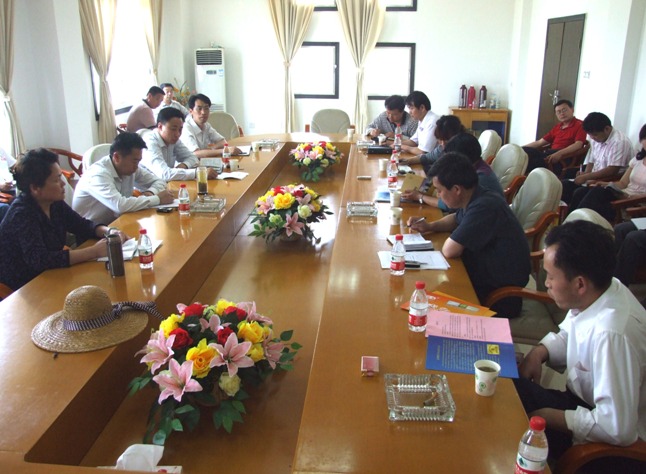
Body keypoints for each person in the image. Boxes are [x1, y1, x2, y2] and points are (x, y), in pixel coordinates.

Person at [514, 220, 646, 462]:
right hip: (584, 406)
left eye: (551, 276)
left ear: (580, 284)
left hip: (609, 447)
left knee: (511, 415)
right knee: (507, 384)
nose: (546, 283)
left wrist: (550, 416)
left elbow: (617, 429)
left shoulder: (612, 334)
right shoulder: (602, 290)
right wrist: (539, 352)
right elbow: (571, 333)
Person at [407, 153, 530, 317]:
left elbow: (450, 250)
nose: (438, 195)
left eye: (440, 190)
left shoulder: (485, 206)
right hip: (480, 276)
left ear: (456, 189)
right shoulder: (476, 195)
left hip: (499, 296)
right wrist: (430, 226)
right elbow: (455, 219)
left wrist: (447, 236)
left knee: (421, 305)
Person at [0, 149, 127, 291]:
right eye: (56, 180)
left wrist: (110, 231)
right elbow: (40, 260)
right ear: (35, 188)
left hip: (51, 274)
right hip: (24, 287)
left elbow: (82, 225)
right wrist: (94, 252)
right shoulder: (22, 214)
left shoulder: (54, 203)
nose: (63, 184)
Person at [72, 132, 174, 223]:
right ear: (117, 157)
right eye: (134, 161)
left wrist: (151, 192)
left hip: (119, 223)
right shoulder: (98, 174)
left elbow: (159, 181)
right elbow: (120, 206)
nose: (137, 166)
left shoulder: (129, 168)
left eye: (138, 161)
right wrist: (157, 199)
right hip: (92, 231)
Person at [403, 132, 503, 210]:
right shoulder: (474, 166)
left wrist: (420, 197)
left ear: (461, 159)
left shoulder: (480, 178)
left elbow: (450, 205)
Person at [568, 123, 646, 222]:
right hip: (623, 194)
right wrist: (606, 184)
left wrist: (628, 197)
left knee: (596, 198)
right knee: (581, 192)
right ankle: (569, 223)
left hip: (635, 203)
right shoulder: (638, 159)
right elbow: (622, 183)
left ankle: (574, 225)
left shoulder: (619, 141)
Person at [561, 112, 633, 203]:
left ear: (607, 129)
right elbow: (591, 160)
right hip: (595, 175)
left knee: (578, 192)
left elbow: (612, 170)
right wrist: (585, 173)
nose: (592, 138)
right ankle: (561, 210)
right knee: (563, 184)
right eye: (590, 135)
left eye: (595, 135)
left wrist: (586, 177)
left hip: (609, 178)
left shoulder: (619, 142)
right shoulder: (596, 137)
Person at [140, 107, 218, 181]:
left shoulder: (173, 139)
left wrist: (184, 165)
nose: (177, 134)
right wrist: (199, 173)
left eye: (180, 129)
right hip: (150, 188)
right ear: (160, 126)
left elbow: (193, 158)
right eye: (173, 129)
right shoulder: (150, 143)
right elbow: (164, 174)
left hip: (167, 183)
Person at [523, 100, 587, 175]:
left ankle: (520, 179)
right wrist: (518, 148)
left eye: (564, 110)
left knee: (529, 162)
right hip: (549, 155)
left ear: (572, 110)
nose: (562, 113)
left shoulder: (580, 125)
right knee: (525, 152)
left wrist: (559, 153)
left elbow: (578, 145)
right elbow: (540, 142)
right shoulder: (558, 127)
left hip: (563, 158)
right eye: (558, 112)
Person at [400, 115, 465, 174]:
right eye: (440, 140)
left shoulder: (463, 149)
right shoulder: (442, 148)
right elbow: (427, 157)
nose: (442, 144)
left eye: (446, 140)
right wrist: (408, 161)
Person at [400, 91, 440, 155]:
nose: (409, 112)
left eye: (411, 108)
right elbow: (413, 141)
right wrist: (396, 144)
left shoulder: (432, 122)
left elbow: (423, 152)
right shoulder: (422, 119)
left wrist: (403, 147)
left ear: (422, 108)